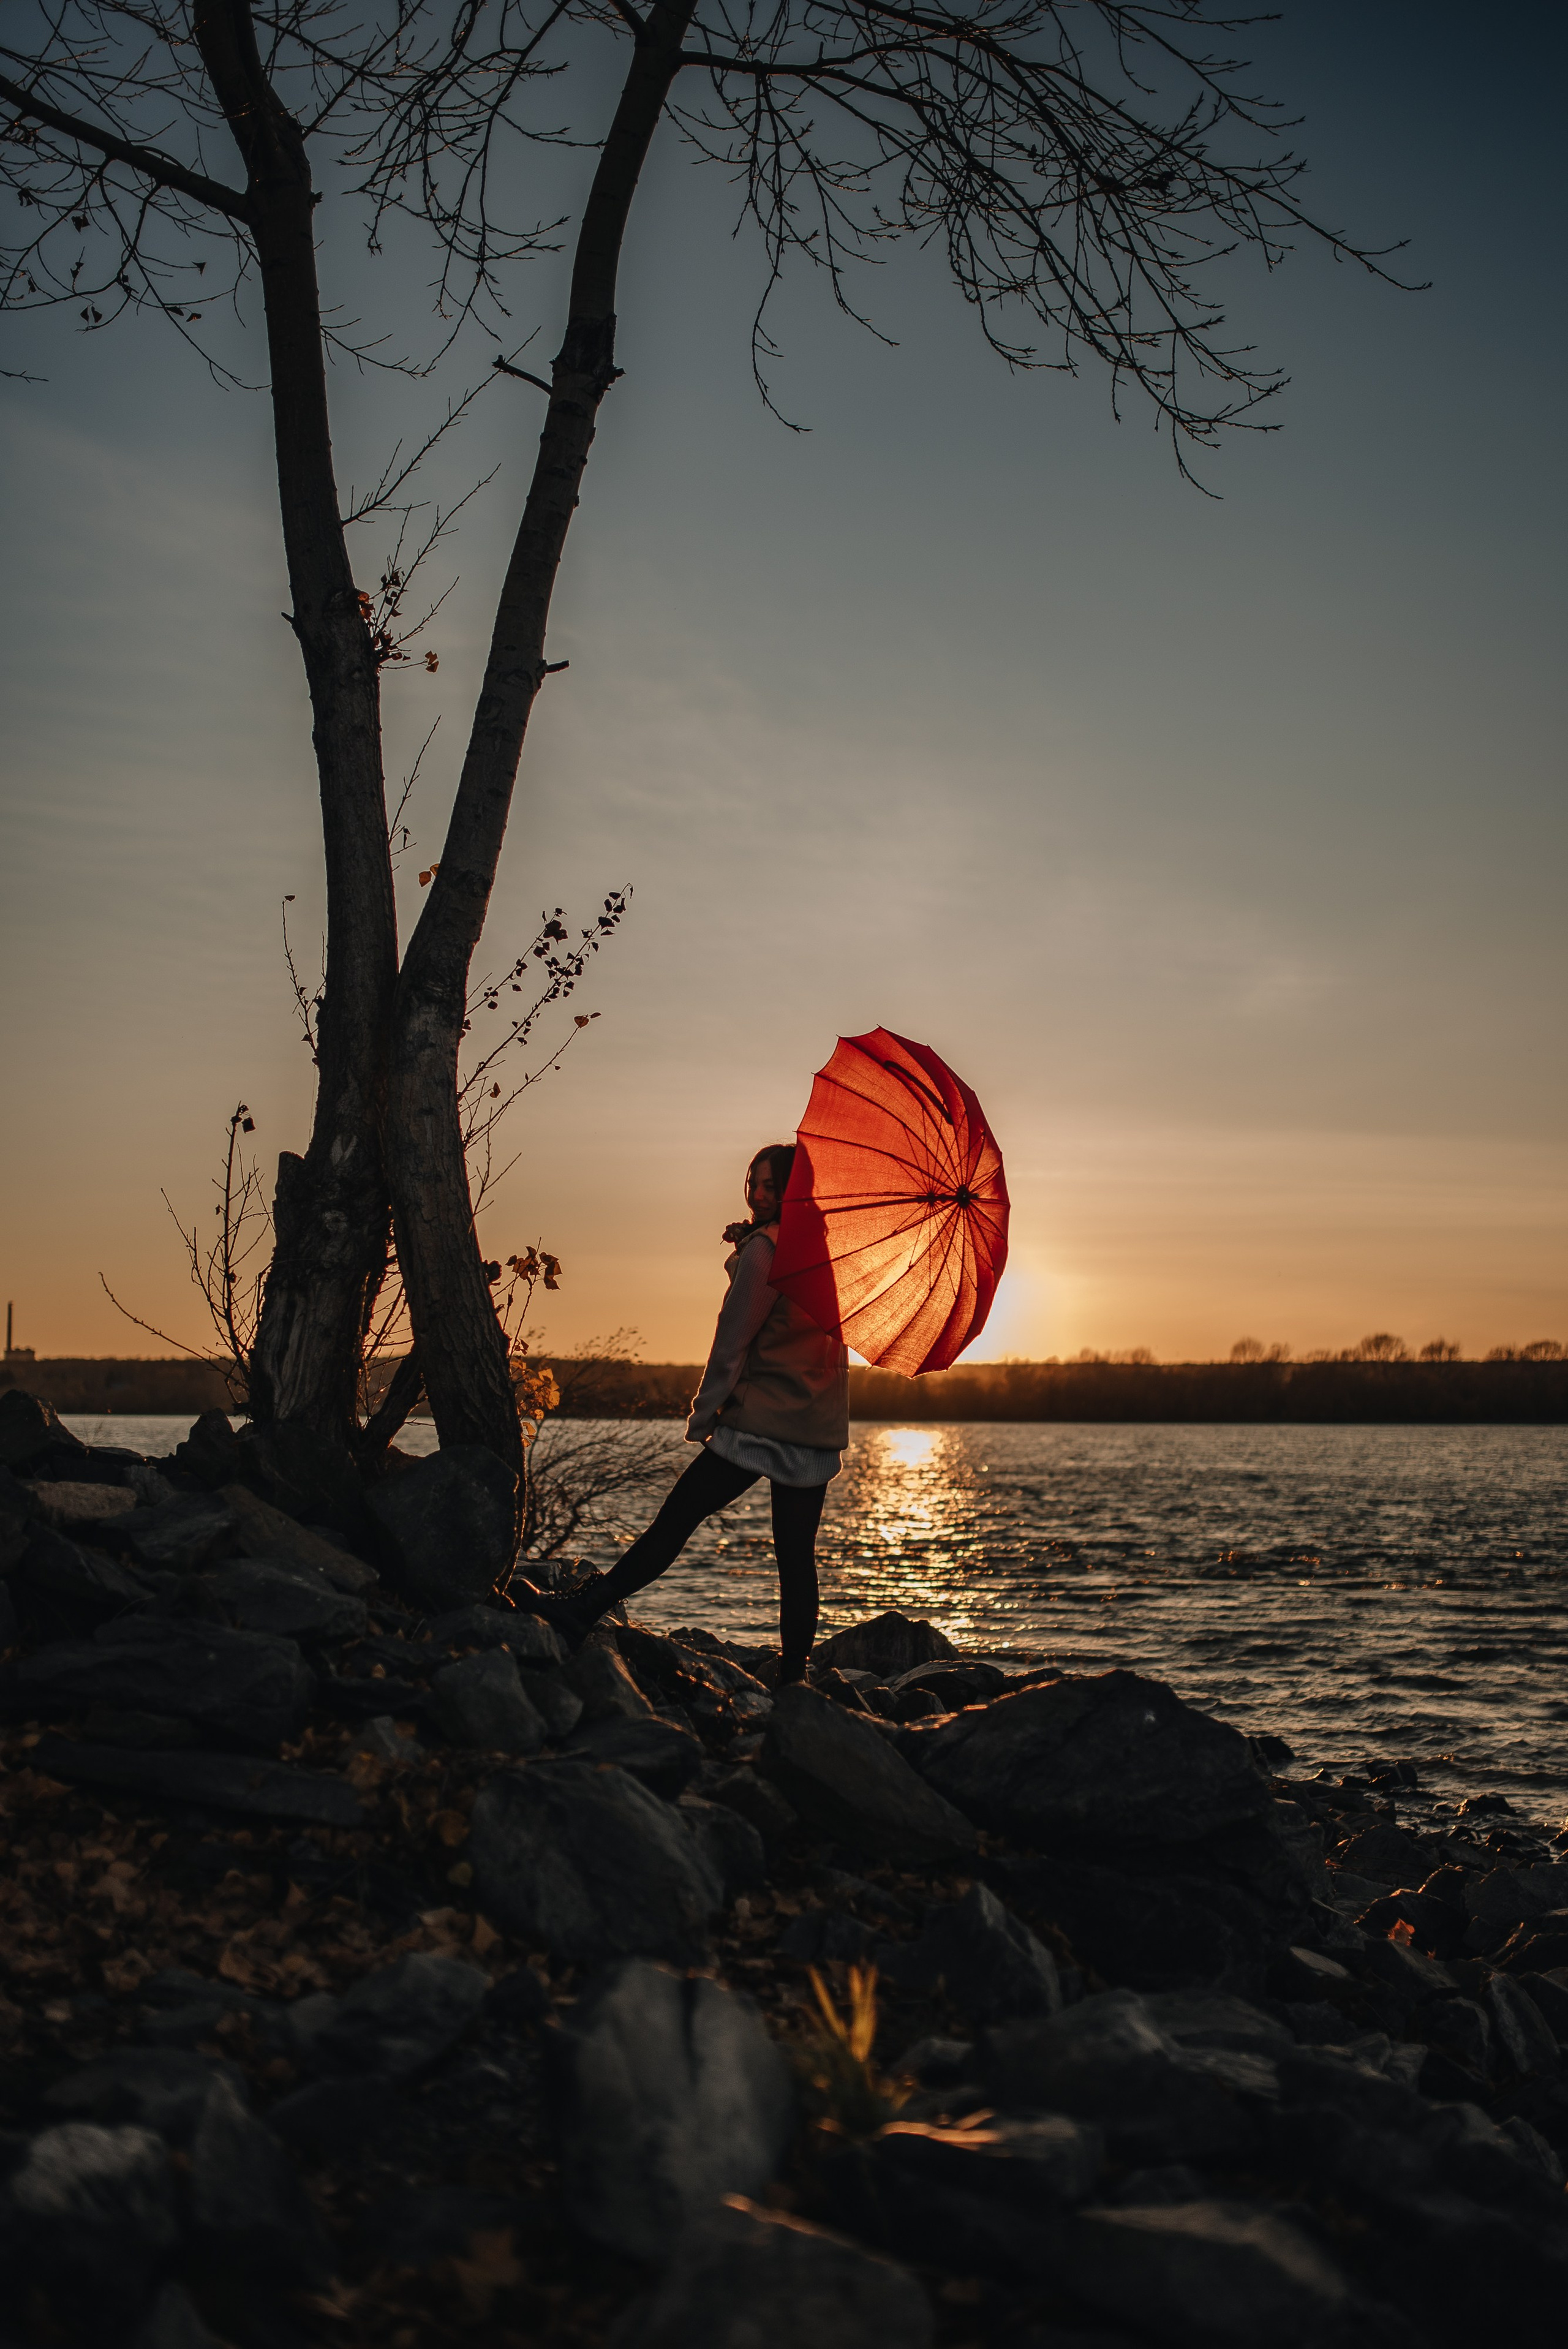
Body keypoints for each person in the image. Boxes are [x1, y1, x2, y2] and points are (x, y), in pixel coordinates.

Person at [516, 1144, 848, 1680]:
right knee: (796, 1557)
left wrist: (704, 1414)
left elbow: (733, 1342)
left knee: (676, 1519)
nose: (759, 1194)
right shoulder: (822, 1250)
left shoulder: (767, 1253)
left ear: (792, 1192)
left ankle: (581, 1610)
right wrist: (747, 1249)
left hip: (761, 1423)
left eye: (771, 1186)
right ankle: (794, 1679)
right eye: (753, 1184)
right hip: (817, 1425)